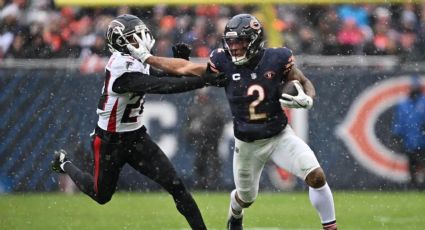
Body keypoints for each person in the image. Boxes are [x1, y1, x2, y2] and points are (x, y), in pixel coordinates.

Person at [127, 13, 337, 230]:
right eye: (230, 41)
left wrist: (308, 98)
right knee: (246, 198)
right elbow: (186, 68)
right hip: (247, 145)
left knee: (316, 176)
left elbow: (302, 80)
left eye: (240, 41)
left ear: (254, 40)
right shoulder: (223, 62)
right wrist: (148, 58)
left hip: (280, 136)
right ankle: (235, 211)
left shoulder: (277, 58)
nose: (234, 47)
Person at [51, 14, 225, 230]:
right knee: (101, 195)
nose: (141, 40)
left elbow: (164, 75)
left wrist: (184, 65)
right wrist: (205, 80)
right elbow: (163, 87)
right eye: (134, 38)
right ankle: (64, 163)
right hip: (109, 142)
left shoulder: (135, 61)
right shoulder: (120, 69)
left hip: (135, 136)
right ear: (121, 42)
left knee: (177, 187)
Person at [186, 88, 226, 190]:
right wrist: (191, 135)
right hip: (200, 140)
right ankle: (201, 183)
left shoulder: (214, 107)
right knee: (200, 162)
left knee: (214, 162)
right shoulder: (194, 108)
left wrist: (216, 135)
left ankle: (214, 184)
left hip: (212, 139)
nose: (201, 97)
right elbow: (189, 126)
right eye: (200, 95)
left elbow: (221, 122)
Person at [393, 77, 425, 189]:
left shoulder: (423, 102)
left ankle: (421, 185)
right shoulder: (404, 104)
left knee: (422, 162)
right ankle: (414, 185)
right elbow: (399, 121)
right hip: (410, 140)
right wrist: (397, 135)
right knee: (412, 163)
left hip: (422, 140)